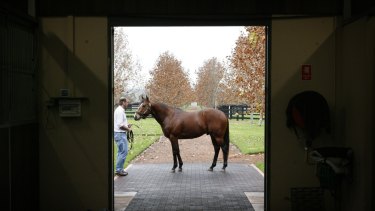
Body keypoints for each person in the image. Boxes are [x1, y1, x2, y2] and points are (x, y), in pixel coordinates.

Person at [114, 96, 132, 176]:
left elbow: (121, 123)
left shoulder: (120, 110)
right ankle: (119, 170)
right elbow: (120, 125)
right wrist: (128, 130)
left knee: (120, 152)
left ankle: (119, 169)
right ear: (123, 102)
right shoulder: (120, 111)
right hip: (120, 134)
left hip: (120, 133)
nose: (128, 103)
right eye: (127, 102)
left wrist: (127, 125)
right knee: (124, 152)